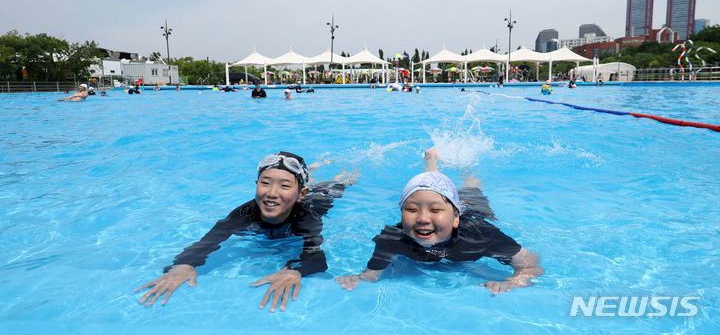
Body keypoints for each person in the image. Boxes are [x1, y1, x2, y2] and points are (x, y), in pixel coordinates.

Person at [136, 152, 357, 312]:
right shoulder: (244, 213)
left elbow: (315, 256)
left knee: (334, 188)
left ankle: (335, 178)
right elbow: (209, 241)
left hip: (315, 200)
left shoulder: (308, 216)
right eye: (265, 183)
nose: (271, 193)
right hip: (296, 197)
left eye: (284, 185)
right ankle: (304, 175)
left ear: (300, 194)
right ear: (256, 184)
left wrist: (293, 269)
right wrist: (183, 265)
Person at [336, 148, 543, 295]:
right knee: (430, 193)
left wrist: (514, 282)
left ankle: (463, 167)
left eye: (435, 211)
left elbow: (531, 264)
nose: (423, 219)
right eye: (411, 209)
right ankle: (431, 163)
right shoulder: (391, 239)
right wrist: (358, 279)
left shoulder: (481, 236)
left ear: (455, 218)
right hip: (448, 205)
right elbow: (371, 275)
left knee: (471, 188)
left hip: (474, 213)